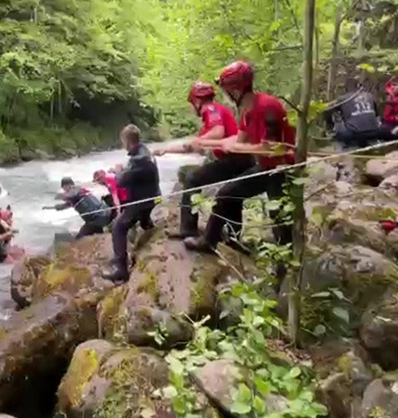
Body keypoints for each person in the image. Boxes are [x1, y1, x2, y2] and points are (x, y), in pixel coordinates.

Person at [184, 61, 295, 255]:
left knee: (280, 220)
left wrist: (234, 145)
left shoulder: (268, 106)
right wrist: (207, 143)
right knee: (226, 194)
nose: (225, 96)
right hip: (265, 167)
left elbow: (270, 148)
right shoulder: (247, 111)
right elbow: (239, 139)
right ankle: (210, 241)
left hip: (281, 169)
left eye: (227, 91)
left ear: (236, 90)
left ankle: (285, 269)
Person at [154, 81, 254, 238]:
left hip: (234, 158)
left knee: (192, 179)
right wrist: (166, 149)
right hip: (242, 159)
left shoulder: (211, 109)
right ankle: (234, 236)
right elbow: (193, 146)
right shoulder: (215, 114)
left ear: (197, 100)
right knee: (231, 196)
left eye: (191, 103)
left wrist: (200, 140)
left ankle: (188, 230)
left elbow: (218, 132)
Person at [103, 124, 161, 282]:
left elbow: (122, 180)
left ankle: (120, 268)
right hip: (153, 196)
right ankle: (147, 224)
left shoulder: (138, 159)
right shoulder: (145, 151)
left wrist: (117, 171)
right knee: (140, 218)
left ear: (127, 141)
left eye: (123, 142)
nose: (123, 146)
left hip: (143, 200)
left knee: (118, 227)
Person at [43, 177, 111, 239]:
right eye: (63, 187)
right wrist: (48, 208)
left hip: (100, 216)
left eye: (65, 186)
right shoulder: (74, 199)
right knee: (96, 233)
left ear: (70, 185)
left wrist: (57, 195)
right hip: (96, 218)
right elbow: (63, 206)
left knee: (81, 237)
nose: (64, 189)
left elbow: (71, 194)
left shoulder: (77, 189)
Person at [324, 78, 381, 148]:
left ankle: (340, 145)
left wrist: (329, 126)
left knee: (336, 116)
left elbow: (327, 110)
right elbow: (377, 114)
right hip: (374, 131)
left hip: (354, 133)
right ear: (358, 86)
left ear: (345, 89)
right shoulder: (369, 95)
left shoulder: (343, 98)